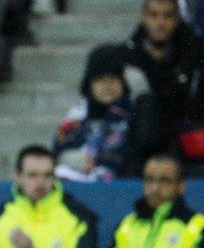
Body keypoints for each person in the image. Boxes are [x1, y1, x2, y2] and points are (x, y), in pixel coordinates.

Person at [54, 44, 168, 180]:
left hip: (124, 185)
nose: (107, 86)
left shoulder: (136, 111)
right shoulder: (79, 114)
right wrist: (63, 158)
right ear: (89, 84)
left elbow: (149, 142)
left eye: (114, 79)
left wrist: (143, 98)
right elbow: (57, 149)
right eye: (100, 79)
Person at [120, 0, 201, 132]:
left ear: (178, 19)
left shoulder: (194, 55)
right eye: (153, 15)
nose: (160, 23)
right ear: (143, 17)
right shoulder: (127, 55)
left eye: (168, 16)